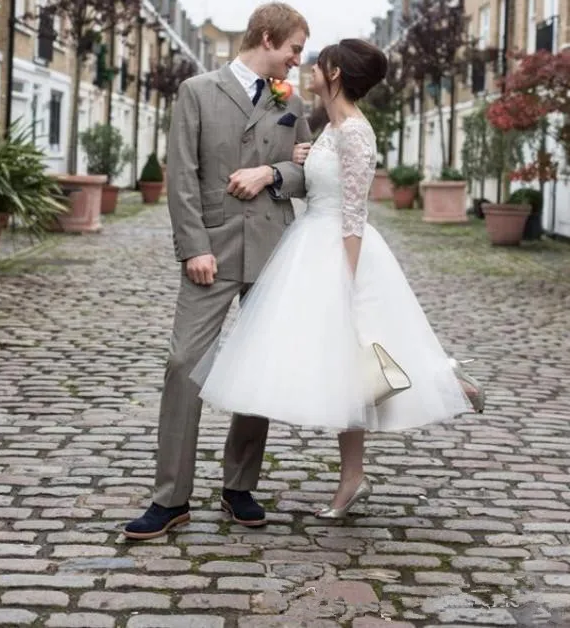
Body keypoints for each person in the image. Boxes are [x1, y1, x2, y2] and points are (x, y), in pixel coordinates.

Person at [195, 38, 475, 519]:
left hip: (339, 251)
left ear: (336, 74)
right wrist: (304, 157)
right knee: (349, 369)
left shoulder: (356, 134)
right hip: (311, 242)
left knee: (365, 350)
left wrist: (344, 281)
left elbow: (353, 214)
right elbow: (322, 180)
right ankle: (353, 479)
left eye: (318, 63)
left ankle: (449, 384)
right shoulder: (332, 127)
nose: (308, 67)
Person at [124, 2, 311, 539]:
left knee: (259, 367)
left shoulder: (292, 101)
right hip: (213, 250)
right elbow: (181, 175)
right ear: (269, 37)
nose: (298, 60)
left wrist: (272, 172)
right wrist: (193, 248)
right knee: (183, 365)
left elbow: (307, 171)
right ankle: (171, 498)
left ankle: (239, 487)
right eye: (295, 48)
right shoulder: (198, 91)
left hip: (273, 250)